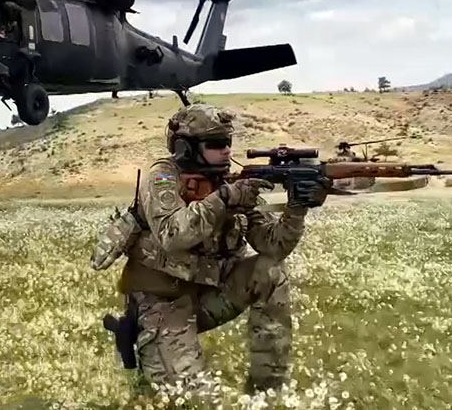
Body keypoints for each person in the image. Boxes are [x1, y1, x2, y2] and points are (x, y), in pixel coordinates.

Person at [91, 104, 329, 394]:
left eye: (228, 142)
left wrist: (297, 208)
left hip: (207, 297)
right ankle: (143, 338)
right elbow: (172, 234)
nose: (226, 150)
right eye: (216, 144)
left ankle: (267, 390)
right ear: (185, 148)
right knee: (194, 399)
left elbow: (273, 246)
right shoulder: (163, 177)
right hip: (163, 304)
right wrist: (224, 199)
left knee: (270, 271)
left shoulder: (228, 182)